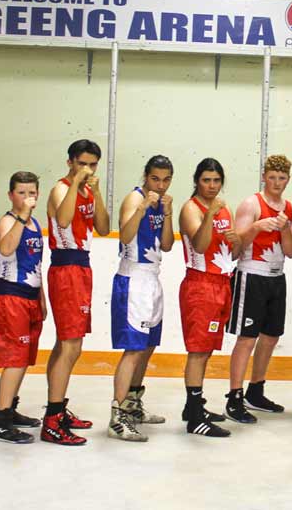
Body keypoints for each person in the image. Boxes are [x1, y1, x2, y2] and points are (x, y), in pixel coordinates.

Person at [42, 139, 111, 445]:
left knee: (67, 344)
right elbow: (64, 220)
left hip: (82, 267)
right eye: (82, 163)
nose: (88, 169)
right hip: (65, 267)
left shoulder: (87, 190)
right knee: (71, 345)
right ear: (70, 162)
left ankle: (56, 407)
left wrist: (95, 191)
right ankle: (53, 419)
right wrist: (76, 184)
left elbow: (105, 228)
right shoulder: (61, 189)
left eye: (93, 164)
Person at [225, 155, 292, 424]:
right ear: (264, 177)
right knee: (247, 338)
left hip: (277, 277)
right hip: (251, 274)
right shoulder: (250, 204)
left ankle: (256, 391)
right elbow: (236, 248)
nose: (277, 183)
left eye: (282, 178)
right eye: (272, 177)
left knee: (270, 337)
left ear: (288, 180)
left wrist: (283, 230)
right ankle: (234, 396)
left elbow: (291, 252)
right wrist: (257, 227)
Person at [107, 156, 176, 442]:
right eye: (155, 178)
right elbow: (124, 235)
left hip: (152, 279)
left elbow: (169, 244)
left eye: (165, 179)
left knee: (147, 347)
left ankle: (133, 405)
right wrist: (142, 208)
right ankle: (117, 416)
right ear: (145, 176)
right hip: (132, 279)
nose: (159, 185)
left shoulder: (163, 203)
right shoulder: (133, 199)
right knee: (133, 350)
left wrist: (168, 212)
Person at [178, 158, 239, 437]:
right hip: (200, 285)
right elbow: (200, 246)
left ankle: (194, 407)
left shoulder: (224, 208)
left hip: (221, 284)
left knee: (208, 348)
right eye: (206, 180)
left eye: (216, 180)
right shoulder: (191, 208)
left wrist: (237, 240)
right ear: (197, 181)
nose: (212, 186)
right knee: (198, 351)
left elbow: (231, 253)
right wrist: (211, 216)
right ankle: (194, 418)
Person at [0, 171, 47, 444]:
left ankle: (9, 408)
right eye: (21, 193)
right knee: (15, 359)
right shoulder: (8, 221)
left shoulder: (35, 224)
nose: (26, 198)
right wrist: (21, 215)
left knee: (24, 358)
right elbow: (7, 248)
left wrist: (41, 298)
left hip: (29, 298)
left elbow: (36, 265)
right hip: (10, 298)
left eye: (31, 193)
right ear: (11, 195)